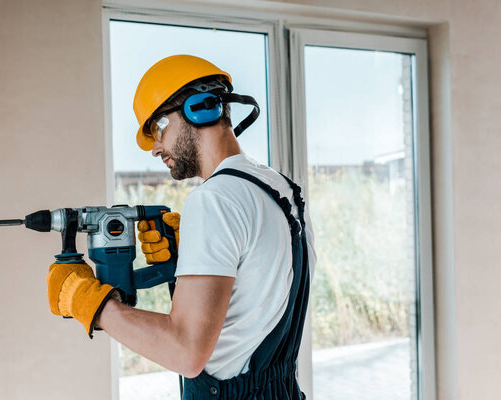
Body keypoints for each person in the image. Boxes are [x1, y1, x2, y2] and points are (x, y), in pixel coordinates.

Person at [46, 55, 316, 399]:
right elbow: (254, 303)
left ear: (199, 108)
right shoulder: (284, 189)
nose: (157, 148)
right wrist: (186, 265)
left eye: (159, 128)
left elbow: (185, 352)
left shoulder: (215, 199)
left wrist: (92, 305)